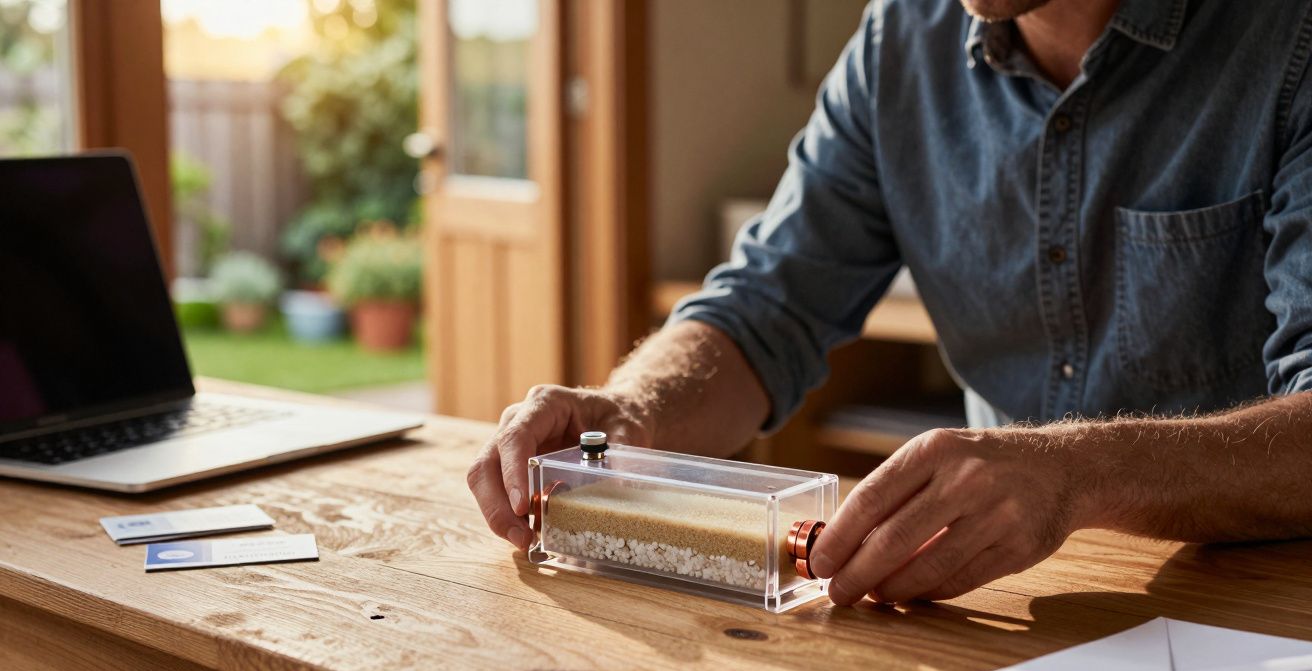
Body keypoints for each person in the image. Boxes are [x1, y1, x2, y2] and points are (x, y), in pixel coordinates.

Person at [467, 0, 1312, 606]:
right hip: (1004, 607)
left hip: (1265, 605)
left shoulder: (1290, 38)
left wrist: (1077, 472)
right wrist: (631, 411)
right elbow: (765, 309)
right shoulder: (898, 40)